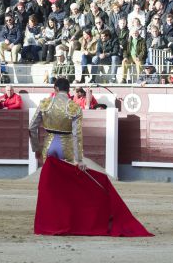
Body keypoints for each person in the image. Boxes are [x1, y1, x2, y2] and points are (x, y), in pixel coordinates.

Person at [28, 77, 152, 237]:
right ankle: (67, 221)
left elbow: (31, 127)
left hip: (49, 146)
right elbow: (77, 135)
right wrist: (79, 160)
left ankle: (49, 221)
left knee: (50, 187)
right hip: (65, 147)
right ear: (69, 90)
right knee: (67, 186)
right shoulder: (74, 107)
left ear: (55, 89)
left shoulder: (45, 103)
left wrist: (36, 149)